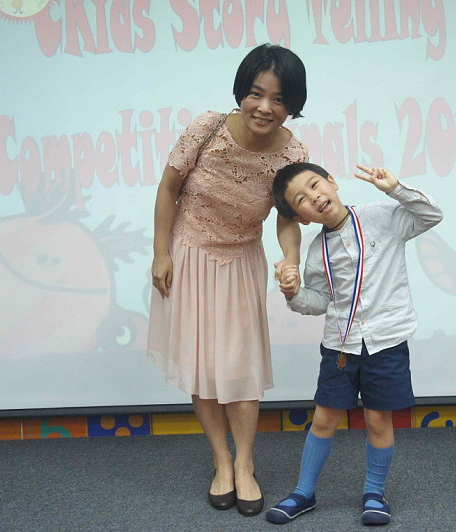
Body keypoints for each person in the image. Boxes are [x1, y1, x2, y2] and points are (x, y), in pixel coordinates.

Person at [147, 44, 309, 517]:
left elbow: (287, 218)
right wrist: (161, 253)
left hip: (240, 262)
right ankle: (221, 461)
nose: (264, 107)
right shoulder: (207, 128)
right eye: (256, 94)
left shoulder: (293, 153)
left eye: (278, 99)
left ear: (293, 104)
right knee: (202, 365)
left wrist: (291, 259)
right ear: (241, 92)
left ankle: (245, 464)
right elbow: (168, 189)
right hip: (189, 256)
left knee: (241, 370)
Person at [266, 162, 443, 526]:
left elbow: (431, 215)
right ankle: (304, 492)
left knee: (378, 420)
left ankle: (374, 493)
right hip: (340, 347)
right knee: (324, 419)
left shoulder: (381, 215)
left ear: (331, 182)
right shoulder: (316, 252)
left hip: (386, 343)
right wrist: (294, 292)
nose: (314, 197)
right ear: (300, 218)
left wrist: (395, 188)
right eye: (301, 199)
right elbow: (319, 302)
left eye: (315, 185)